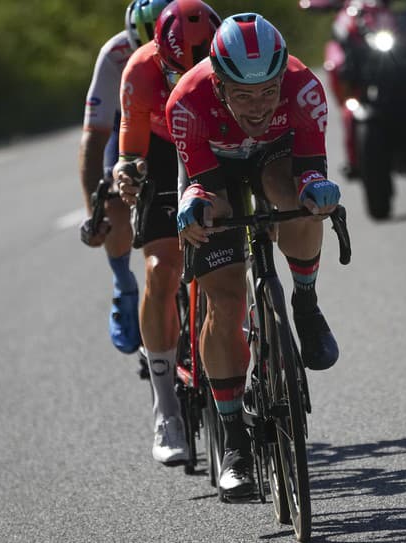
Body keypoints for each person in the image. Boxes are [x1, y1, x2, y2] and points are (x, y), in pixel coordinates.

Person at [159, 13, 342, 498]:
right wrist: (194, 209)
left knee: (296, 200)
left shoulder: (303, 90)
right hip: (213, 168)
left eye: (268, 91)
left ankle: (305, 304)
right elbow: (203, 185)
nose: (258, 106)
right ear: (218, 83)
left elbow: (309, 169)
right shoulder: (187, 103)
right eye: (243, 94)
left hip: (276, 158)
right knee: (222, 298)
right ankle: (235, 436)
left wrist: (318, 190)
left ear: (282, 77)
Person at [78, 0, 189, 464]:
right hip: (135, 135)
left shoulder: (195, 35)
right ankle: (125, 286)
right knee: (117, 203)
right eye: (144, 47)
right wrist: (94, 212)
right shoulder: (118, 56)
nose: (156, 58)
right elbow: (96, 138)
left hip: (192, 128)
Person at [112, 0, 221, 465]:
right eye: (180, 72)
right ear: (161, 54)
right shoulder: (140, 70)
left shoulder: (229, 53)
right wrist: (127, 174)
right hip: (161, 149)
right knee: (161, 268)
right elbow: (129, 151)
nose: (191, 81)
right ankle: (166, 409)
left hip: (218, 139)